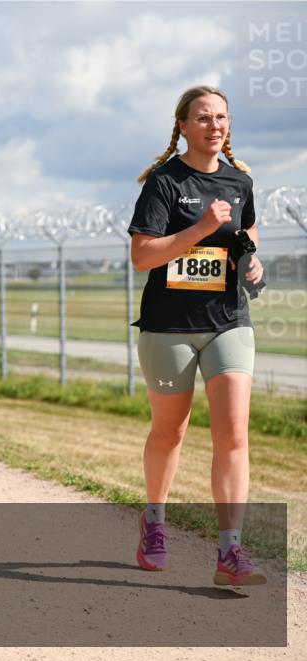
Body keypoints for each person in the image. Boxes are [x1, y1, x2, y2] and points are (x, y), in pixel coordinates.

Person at [130, 85, 266, 586]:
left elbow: (249, 240)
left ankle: (231, 552)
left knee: (233, 433)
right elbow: (143, 256)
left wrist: (252, 265)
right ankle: (155, 521)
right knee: (172, 431)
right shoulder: (164, 183)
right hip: (170, 328)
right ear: (183, 126)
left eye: (222, 118)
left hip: (228, 320)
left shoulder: (240, 181)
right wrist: (200, 228)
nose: (215, 125)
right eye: (204, 117)